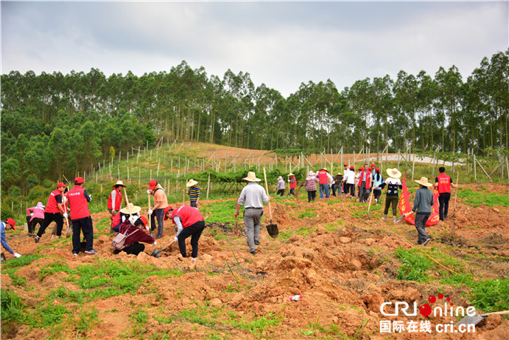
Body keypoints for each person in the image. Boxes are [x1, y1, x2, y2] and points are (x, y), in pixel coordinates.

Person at [234, 171, 270, 255]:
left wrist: (237, 211)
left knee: (249, 230)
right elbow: (265, 200)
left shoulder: (246, 188)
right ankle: (256, 238)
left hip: (249, 211)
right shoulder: (261, 188)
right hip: (258, 211)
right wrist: (269, 198)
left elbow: (240, 201)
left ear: (248, 180)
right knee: (257, 224)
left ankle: (252, 249)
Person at [67, 177, 96, 255]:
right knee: (88, 232)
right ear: (81, 184)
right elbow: (88, 199)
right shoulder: (83, 191)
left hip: (74, 216)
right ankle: (88, 248)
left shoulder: (69, 193)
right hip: (84, 215)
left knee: (76, 234)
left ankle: (75, 250)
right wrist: (89, 198)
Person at [412, 177, 434, 245]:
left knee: (418, 225)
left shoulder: (419, 191)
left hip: (421, 211)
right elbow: (432, 203)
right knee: (422, 226)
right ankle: (421, 241)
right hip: (428, 212)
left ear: (421, 184)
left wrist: (414, 209)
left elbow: (417, 201)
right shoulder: (430, 192)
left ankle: (425, 238)